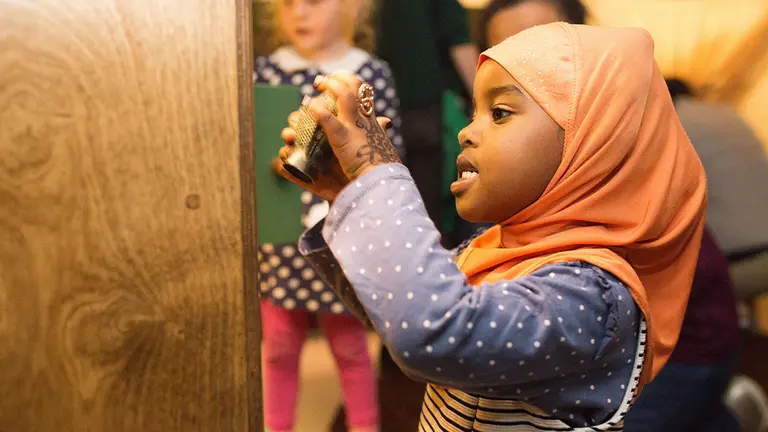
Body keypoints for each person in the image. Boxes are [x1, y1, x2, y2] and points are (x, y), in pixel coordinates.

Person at [276, 22, 707, 430]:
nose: (465, 132)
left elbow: (431, 331)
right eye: (475, 112)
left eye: (499, 113)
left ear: (593, 144)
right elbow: (397, 307)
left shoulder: (594, 295)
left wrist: (378, 170)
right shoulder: (494, 248)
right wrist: (344, 194)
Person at [252, 0, 404, 430]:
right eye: (287, 3)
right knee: (278, 345)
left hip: (343, 232)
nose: (299, 13)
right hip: (279, 238)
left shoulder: (369, 74)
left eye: (313, 2)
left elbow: (387, 156)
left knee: (351, 347)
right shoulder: (265, 71)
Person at [375, 0, 479, 246]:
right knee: (430, 210)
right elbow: (460, 46)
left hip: (380, 109)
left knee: (390, 203)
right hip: (426, 111)